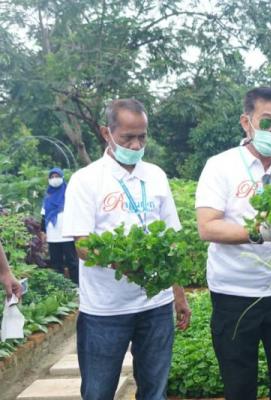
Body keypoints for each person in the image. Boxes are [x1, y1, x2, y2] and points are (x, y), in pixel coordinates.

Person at [62, 98, 191, 400]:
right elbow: (82, 245)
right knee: (98, 392)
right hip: (105, 310)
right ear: (107, 133)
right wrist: (124, 262)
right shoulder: (86, 180)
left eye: (142, 136)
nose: (135, 145)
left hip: (155, 306)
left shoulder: (156, 175)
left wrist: (178, 293)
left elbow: (171, 239)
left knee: (154, 392)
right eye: (127, 137)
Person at [195, 87, 271, 400]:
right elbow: (208, 227)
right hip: (234, 295)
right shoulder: (221, 166)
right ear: (246, 122)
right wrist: (259, 232)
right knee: (239, 384)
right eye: (267, 121)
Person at [40, 168, 78, 284]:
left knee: (72, 261)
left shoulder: (69, 193)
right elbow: (43, 216)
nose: (54, 179)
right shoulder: (48, 196)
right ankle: (60, 287)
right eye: (52, 177)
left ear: (62, 177)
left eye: (57, 176)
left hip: (67, 234)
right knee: (56, 262)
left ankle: (76, 284)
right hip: (52, 235)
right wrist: (43, 232)